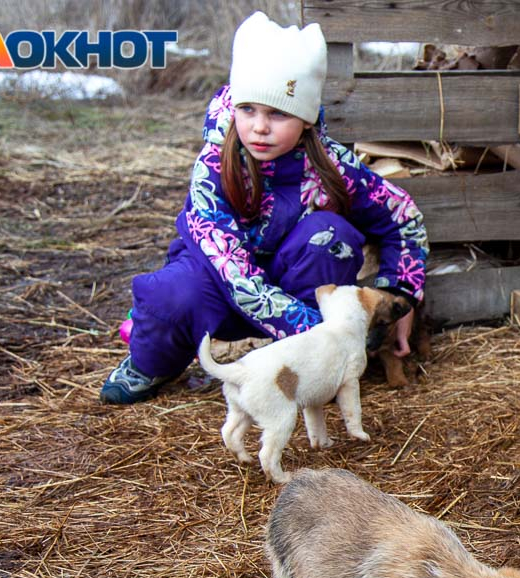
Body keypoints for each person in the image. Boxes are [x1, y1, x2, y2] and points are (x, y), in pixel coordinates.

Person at [101, 11, 427, 404]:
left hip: (294, 279)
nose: (259, 127)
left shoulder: (332, 168)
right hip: (217, 285)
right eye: (248, 109)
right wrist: (323, 336)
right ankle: (151, 362)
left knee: (331, 235)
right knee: (172, 294)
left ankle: (309, 369)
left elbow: (402, 216)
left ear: (307, 120)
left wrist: (400, 295)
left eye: (278, 113)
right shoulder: (212, 167)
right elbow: (237, 278)